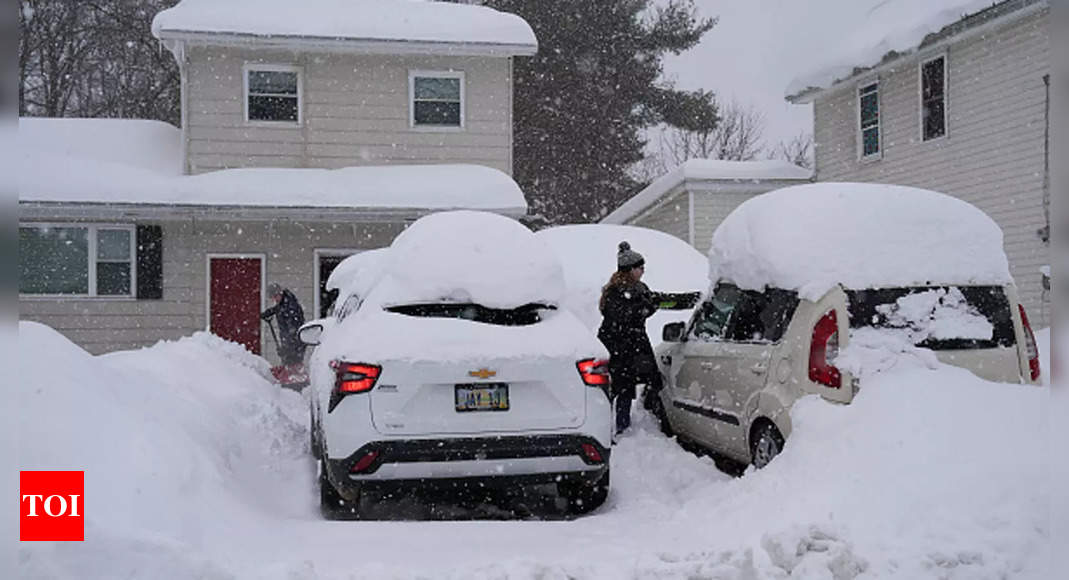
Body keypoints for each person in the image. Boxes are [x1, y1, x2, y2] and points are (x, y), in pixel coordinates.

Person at [597, 242, 699, 435]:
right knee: (612, 389)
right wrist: (646, 308)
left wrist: (694, 299)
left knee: (629, 388)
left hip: (632, 347)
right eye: (640, 267)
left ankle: (624, 428)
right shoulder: (613, 292)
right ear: (630, 270)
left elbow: (662, 300)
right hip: (615, 347)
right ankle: (604, 430)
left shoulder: (639, 288)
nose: (643, 270)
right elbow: (625, 315)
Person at [261, 282, 306, 366]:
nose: (274, 300)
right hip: (289, 340)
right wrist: (268, 312)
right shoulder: (284, 302)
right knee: (287, 361)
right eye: (272, 298)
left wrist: (287, 348)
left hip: (296, 343)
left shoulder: (291, 306)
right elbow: (278, 308)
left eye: (275, 297)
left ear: (279, 293)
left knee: (293, 363)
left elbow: (293, 327)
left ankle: (295, 376)